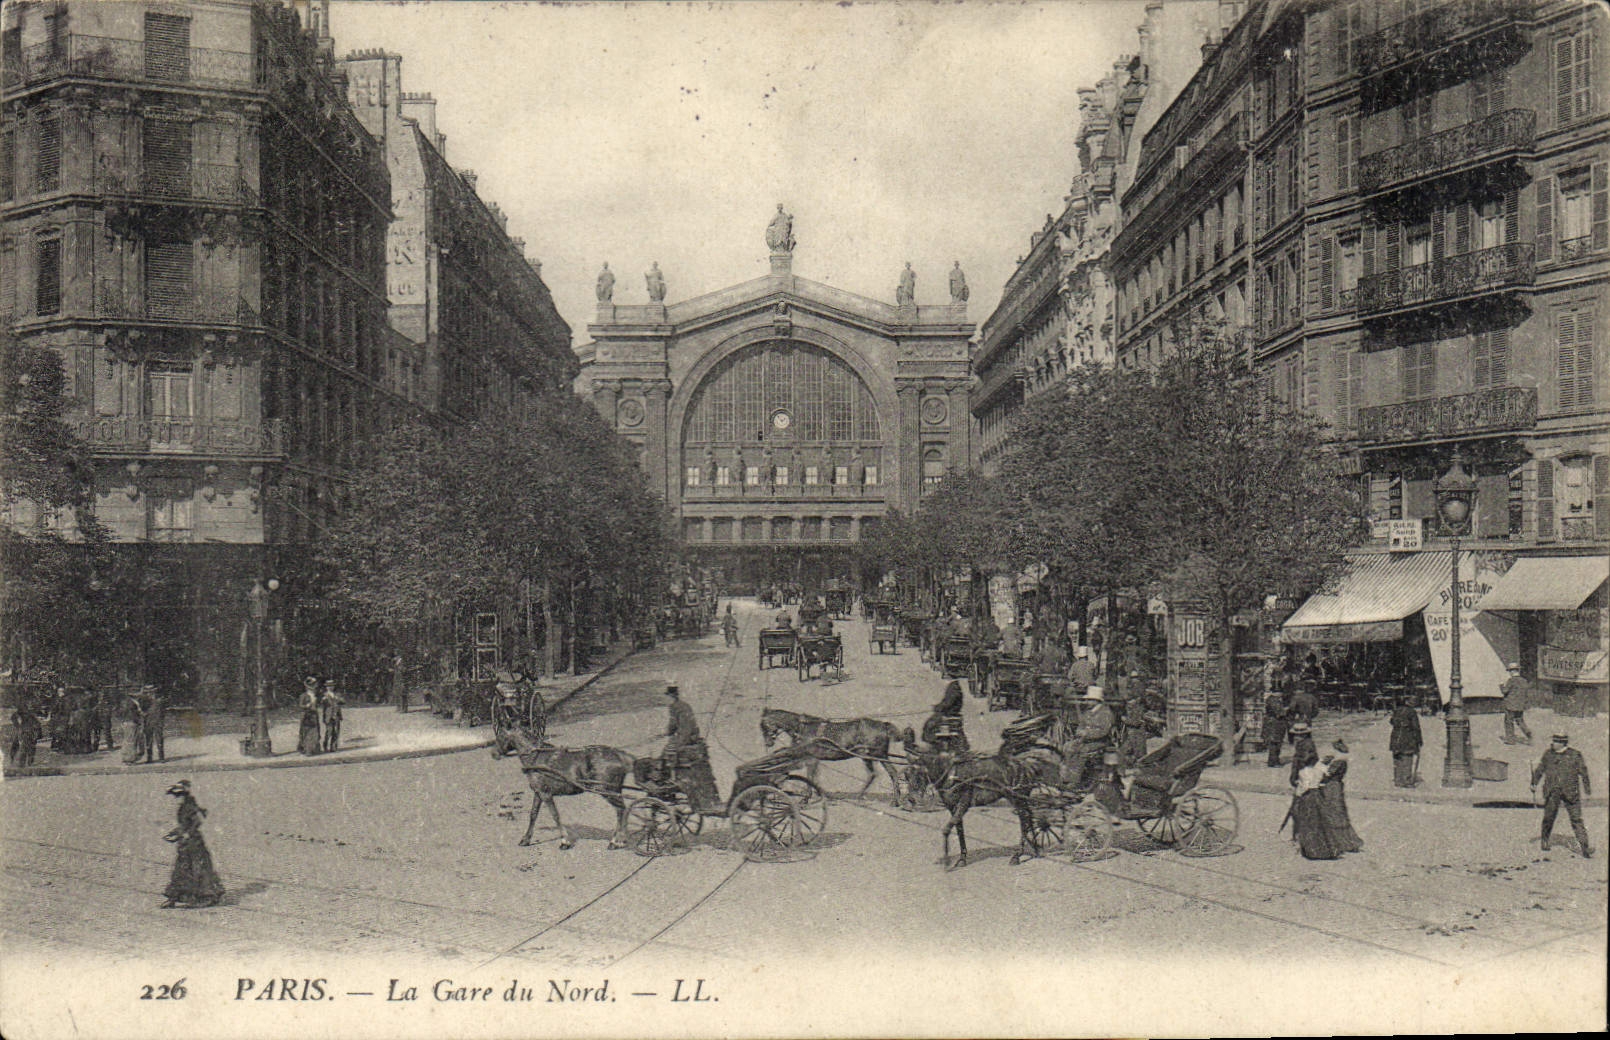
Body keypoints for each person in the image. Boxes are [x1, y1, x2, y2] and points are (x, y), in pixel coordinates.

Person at [161, 780, 224, 908]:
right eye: (175, 796)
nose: (176, 799)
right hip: (185, 843)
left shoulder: (190, 806)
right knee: (182, 869)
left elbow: (197, 821)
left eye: (178, 796)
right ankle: (174, 897)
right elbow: (184, 825)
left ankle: (206, 896)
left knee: (198, 868)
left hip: (194, 843)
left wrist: (187, 833)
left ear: (184, 795)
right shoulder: (183, 806)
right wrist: (174, 833)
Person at [661, 684, 721, 813]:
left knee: (667, 753)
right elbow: (673, 725)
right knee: (667, 750)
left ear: (671, 697)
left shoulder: (678, 708)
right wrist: (667, 732)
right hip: (688, 738)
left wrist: (677, 745)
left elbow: (686, 729)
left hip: (687, 739)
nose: (665, 700)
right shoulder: (678, 706)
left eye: (666, 697)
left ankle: (671, 780)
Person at [1532, 733, 1593, 857]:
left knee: (1576, 819)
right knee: (1549, 817)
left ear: (1563, 743)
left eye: (1555, 741)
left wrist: (1587, 791)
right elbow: (1540, 769)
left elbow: (1584, 773)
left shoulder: (1575, 755)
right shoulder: (1548, 754)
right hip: (1552, 791)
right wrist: (1533, 783)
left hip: (1571, 792)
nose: (1553, 743)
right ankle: (1545, 840)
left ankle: (1585, 847)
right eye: (1553, 740)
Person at [1288, 757, 1341, 860]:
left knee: (1308, 822)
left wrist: (1299, 793)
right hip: (1317, 795)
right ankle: (1326, 849)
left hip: (1308, 796)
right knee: (1320, 822)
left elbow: (1305, 787)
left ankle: (1311, 850)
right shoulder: (1319, 770)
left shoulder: (1303, 772)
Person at [1065, 685, 1115, 791]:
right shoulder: (1088, 712)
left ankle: (1075, 781)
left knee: (1083, 751)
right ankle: (1067, 777)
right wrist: (1079, 731)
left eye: (1089, 700)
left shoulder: (1105, 713)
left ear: (1096, 700)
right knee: (1069, 747)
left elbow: (1103, 731)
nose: (1087, 702)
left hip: (1100, 741)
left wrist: (1087, 733)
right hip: (1086, 740)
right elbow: (1081, 725)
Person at [1319, 738, 1363, 853]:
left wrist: (1322, 765)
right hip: (1335, 787)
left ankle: (1344, 842)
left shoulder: (1338, 762)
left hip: (1332, 788)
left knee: (1334, 813)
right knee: (1336, 813)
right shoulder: (1339, 760)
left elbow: (1328, 774)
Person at [921, 680, 969, 753]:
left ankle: (933, 743)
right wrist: (938, 706)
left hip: (949, 713)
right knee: (931, 722)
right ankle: (932, 742)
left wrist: (938, 707)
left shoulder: (953, 688)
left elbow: (948, 703)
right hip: (948, 712)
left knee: (931, 723)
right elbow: (946, 702)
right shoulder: (953, 686)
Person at [1388, 697, 1422, 787]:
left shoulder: (1397, 711)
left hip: (1395, 738)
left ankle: (1398, 780)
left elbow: (1392, 721)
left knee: (1397, 758)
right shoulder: (1412, 712)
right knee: (1407, 758)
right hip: (1407, 738)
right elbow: (1416, 727)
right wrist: (1419, 740)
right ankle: (1406, 780)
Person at [1500, 662, 1533, 745]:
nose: (1509, 673)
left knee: (1508, 721)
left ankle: (1510, 739)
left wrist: (1501, 685)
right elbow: (1526, 693)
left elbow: (1505, 691)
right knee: (1520, 721)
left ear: (1512, 671)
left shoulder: (1511, 680)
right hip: (1520, 705)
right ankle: (1528, 733)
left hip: (1510, 705)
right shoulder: (1524, 681)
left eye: (1510, 671)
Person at [1287, 721, 1318, 790]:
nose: (1295, 737)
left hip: (1306, 769)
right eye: (1295, 735)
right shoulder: (1300, 743)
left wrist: (1297, 761)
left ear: (1304, 735)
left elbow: (1306, 758)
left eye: (1298, 735)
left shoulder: (1307, 744)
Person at [1263, 689, 1289, 768]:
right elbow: (1279, 712)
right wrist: (1287, 709)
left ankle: (1275, 760)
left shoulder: (1272, 700)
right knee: (1275, 743)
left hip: (1274, 724)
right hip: (1274, 725)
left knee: (1276, 743)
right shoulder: (1274, 701)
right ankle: (1273, 762)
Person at [297, 676, 322, 755]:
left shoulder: (315, 696)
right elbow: (300, 705)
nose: (313, 688)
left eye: (314, 686)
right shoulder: (303, 695)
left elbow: (317, 704)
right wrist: (306, 706)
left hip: (314, 715)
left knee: (315, 731)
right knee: (307, 732)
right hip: (306, 715)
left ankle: (314, 749)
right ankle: (307, 750)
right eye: (312, 686)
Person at [122, 690, 146, 765]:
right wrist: (139, 718)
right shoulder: (131, 703)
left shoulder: (130, 702)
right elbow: (133, 714)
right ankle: (129, 759)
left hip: (128, 722)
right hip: (131, 722)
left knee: (129, 740)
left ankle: (127, 757)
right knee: (131, 741)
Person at [144, 685, 166, 764]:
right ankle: (149, 757)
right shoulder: (145, 702)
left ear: (154, 692)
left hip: (158, 722)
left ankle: (161, 757)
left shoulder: (160, 700)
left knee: (159, 739)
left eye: (151, 692)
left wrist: (161, 721)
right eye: (148, 692)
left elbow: (163, 712)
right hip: (148, 722)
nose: (149, 694)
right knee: (148, 740)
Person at [320, 679, 343, 753]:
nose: (330, 687)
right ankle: (325, 746)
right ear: (326, 687)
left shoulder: (337, 694)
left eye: (332, 686)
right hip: (328, 716)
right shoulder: (324, 695)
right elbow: (322, 706)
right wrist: (324, 717)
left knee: (336, 731)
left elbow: (343, 702)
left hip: (336, 715)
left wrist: (339, 700)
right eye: (328, 686)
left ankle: (333, 747)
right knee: (329, 731)